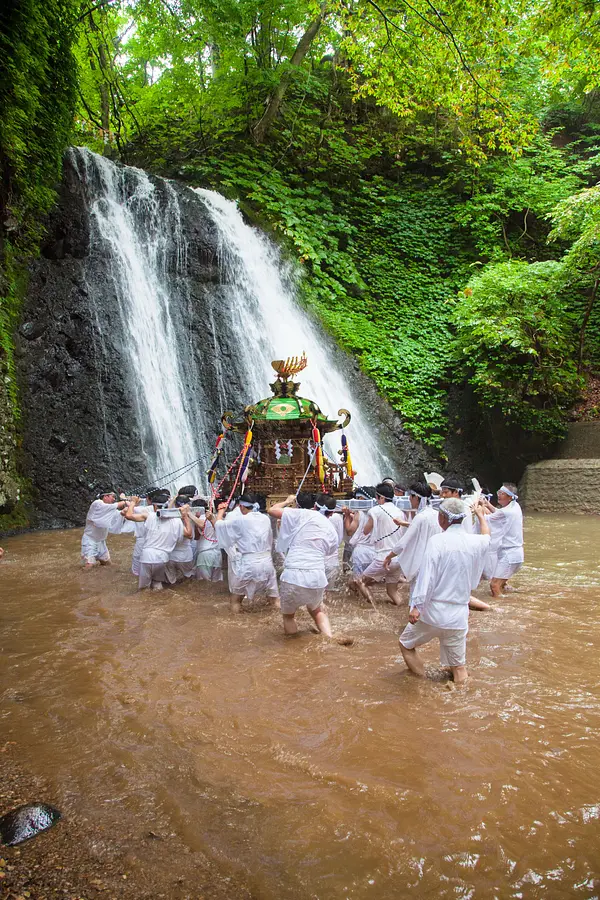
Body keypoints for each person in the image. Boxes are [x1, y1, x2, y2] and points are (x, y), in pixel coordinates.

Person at [398, 498, 490, 685]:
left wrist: (417, 606)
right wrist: (481, 516)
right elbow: (487, 537)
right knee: (459, 667)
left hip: (433, 612)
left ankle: (423, 684)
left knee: (406, 645)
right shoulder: (474, 542)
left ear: (442, 518)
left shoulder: (437, 542)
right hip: (458, 615)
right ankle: (462, 699)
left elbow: (427, 577)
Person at [268, 492, 338, 638]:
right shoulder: (332, 530)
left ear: (314, 506)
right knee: (317, 611)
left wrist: (287, 501)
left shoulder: (302, 514)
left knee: (289, 616)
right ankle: (329, 639)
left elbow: (272, 510)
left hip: (293, 574)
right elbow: (329, 551)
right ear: (331, 513)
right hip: (317, 576)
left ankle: (295, 650)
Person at [215, 492, 279, 613]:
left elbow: (220, 526)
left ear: (241, 506)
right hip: (267, 563)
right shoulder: (265, 518)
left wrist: (220, 512)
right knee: (274, 600)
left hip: (249, 563)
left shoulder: (240, 520)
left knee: (235, 600)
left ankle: (235, 627)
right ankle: (283, 620)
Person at [384, 482, 441, 604]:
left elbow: (403, 542)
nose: (409, 499)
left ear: (417, 498)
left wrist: (389, 556)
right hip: (436, 561)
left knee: (417, 595)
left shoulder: (420, 517)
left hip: (421, 562)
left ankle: (415, 621)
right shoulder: (436, 514)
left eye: (411, 496)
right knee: (432, 595)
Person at [123, 491, 192, 590]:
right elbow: (189, 534)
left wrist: (133, 502)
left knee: (144, 588)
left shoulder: (149, 516)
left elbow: (128, 515)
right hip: (162, 558)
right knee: (157, 585)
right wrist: (185, 516)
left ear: (155, 507)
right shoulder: (176, 521)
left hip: (147, 556)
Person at [357, 482, 409, 606]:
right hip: (398, 558)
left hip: (384, 557)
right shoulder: (400, 512)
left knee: (360, 581)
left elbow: (365, 531)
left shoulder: (375, 510)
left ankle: (374, 608)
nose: (376, 499)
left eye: (376, 497)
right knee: (392, 592)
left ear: (381, 497)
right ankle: (399, 607)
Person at [484, 483, 524, 597]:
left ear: (510, 497)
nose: (499, 496)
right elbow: (500, 514)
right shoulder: (516, 506)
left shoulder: (506, 512)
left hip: (509, 555)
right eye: (499, 493)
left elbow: (487, 519)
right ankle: (513, 600)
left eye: (502, 494)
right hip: (516, 554)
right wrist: (488, 505)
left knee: (494, 585)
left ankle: (499, 611)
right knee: (502, 585)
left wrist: (479, 509)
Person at [81, 489, 126, 568]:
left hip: (101, 541)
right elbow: (116, 505)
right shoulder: (97, 503)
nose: (114, 499)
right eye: (113, 497)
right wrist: (125, 501)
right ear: (105, 496)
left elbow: (120, 513)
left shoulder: (110, 510)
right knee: (89, 566)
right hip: (90, 540)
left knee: (107, 564)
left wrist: (130, 506)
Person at [188, 499, 223, 583]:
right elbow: (197, 537)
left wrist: (190, 514)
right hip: (217, 554)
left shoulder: (203, 518)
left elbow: (202, 525)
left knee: (204, 583)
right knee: (216, 584)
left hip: (205, 555)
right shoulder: (215, 518)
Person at [165, 494, 196, 583]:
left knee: (171, 582)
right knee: (188, 581)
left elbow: (167, 511)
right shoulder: (192, 516)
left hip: (170, 556)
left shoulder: (170, 517)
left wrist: (174, 499)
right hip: (185, 556)